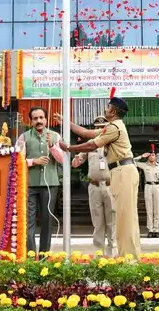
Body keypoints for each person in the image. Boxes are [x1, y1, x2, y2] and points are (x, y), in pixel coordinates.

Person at [59, 94, 140, 258]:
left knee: (124, 220)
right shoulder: (112, 126)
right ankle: (128, 257)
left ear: (113, 111)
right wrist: (66, 122)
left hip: (122, 171)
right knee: (124, 219)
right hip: (119, 172)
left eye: (108, 106)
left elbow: (90, 145)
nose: (105, 108)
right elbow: (86, 132)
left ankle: (129, 260)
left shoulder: (114, 127)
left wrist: (68, 147)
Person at [15, 107, 63, 256]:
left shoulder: (55, 136)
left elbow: (63, 159)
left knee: (47, 221)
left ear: (46, 119)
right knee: (28, 220)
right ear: (31, 121)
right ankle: (30, 256)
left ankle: (44, 256)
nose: (39, 121)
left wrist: (51, 146)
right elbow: (16, 161)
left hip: (50, 185)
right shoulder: (24, 137)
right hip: (29, 185)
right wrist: (33, 161)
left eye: (41, 118)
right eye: (35, 119)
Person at [71, 115, 117, 257]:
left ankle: (112, 251)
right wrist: (76, 160)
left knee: (112, 219)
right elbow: (78, 160)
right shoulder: (90, 144)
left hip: (110, 186)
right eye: (97, 128)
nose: (100, 130)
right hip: (94, 186)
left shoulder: (113, 143)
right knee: (97, 220)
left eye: (102, 127)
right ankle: (99, 252)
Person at [135, 148, 159, 237]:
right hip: (148, 186)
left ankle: (156, 229)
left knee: (157, 209)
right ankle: (150, 229)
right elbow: (132, 162)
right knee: (149, 208)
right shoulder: (144, 165)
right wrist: (141, 156)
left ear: (156, 157)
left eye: (153, 155)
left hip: (157, 186)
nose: (151, 156)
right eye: (150, 155)